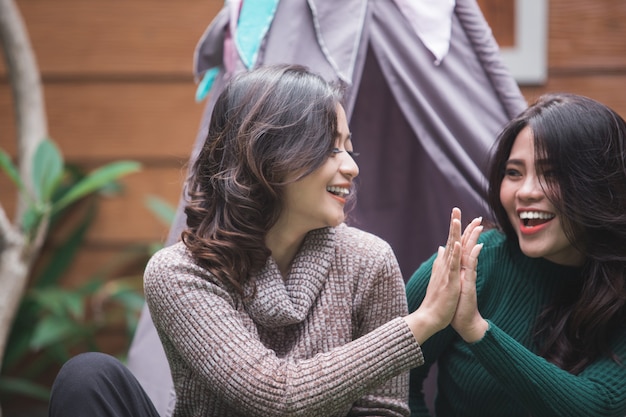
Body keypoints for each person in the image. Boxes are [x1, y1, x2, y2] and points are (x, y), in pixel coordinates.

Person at [48, 64, 483, 417]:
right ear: (269, 157)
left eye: (349, 148)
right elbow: (274, 395)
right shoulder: (180, 272)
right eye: (330, 148)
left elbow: (383, 411)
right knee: (89, 377)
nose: (350, 166)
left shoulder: (369, 261)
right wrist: (421, 322)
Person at [406, 92, 626, 417]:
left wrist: (478, 331)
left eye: (551, 174)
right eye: (513, 172)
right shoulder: (464, 271)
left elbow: (603, 407)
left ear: (600, 183)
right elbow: (389, 385)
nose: (525, 192)